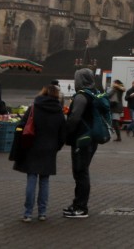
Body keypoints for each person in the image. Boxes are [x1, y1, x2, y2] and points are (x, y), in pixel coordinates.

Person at [11, 83, 65, 223]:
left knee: (32, 178)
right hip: (49, 148)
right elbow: (62, 133)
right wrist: (56, 146)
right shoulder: (58, 110)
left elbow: (22, 126)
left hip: (32, 146)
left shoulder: (34, 107)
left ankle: (28, 213)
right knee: (45, 180)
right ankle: (42, 212)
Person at [61, 68, 101, 219]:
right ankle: (78, 204)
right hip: (92, 138)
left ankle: (80, 207)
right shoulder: (95, 93)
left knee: (80, 172)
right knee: (81, 171)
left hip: (82, 139)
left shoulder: (81, 96)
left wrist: (66, 134)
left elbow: (74, 118)